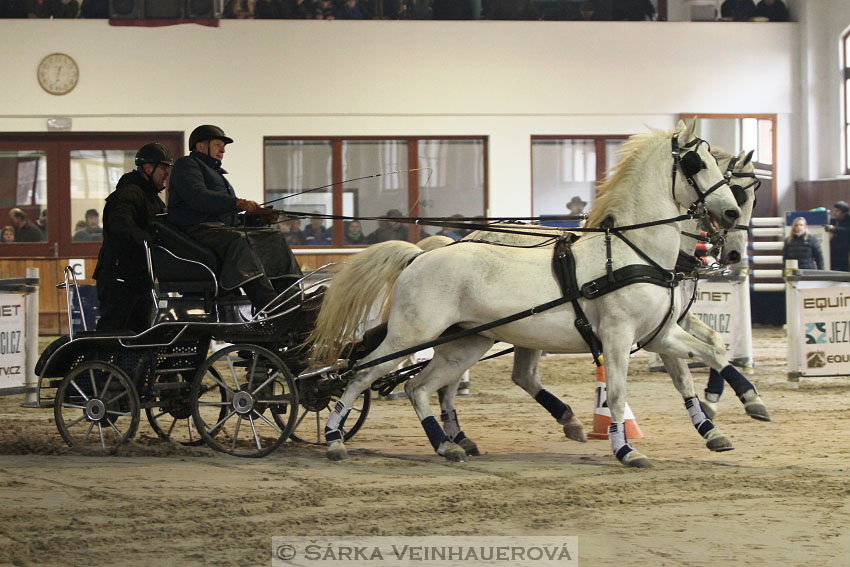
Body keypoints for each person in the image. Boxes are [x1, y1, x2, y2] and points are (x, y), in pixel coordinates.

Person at [167, 124, 302, 313]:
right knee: (239, 241)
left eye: (223, 146)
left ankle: (293, 297)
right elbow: (198, 197)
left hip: (218, 231)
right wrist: (237, 203)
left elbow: (226, 217)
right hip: (196, 231)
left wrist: (256, 219)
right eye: (217, 144)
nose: (222, 150)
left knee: (272, 236)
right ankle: (270, 305)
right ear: (200, 146)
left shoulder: (217, 175)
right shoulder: (187, 165)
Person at [92, 143, 173, 332]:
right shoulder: (127, 195)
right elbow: (121, 225)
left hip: (139, 276)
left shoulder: (153, 199)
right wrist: (148, 241)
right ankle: (102, 361)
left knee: (140, 330)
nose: (167, 174)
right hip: (120, 276)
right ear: (147, 168)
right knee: (114, 329)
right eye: (163, 168)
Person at [825, 200, 850, 271]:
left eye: (838, 211)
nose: (835, 213)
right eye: (835, 210)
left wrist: (835, 229)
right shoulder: (833, 221)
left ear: (844, 213)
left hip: (845, 253)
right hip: (833, 252)